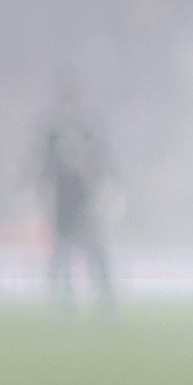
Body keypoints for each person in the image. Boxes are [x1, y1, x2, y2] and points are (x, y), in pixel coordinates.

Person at [34, 78, 116, 311]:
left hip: (78, 193)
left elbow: (101, 156)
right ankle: (70, 297)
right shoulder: (60, 125)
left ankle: (88, 296)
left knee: (82, 247)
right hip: (68, 194)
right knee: (68, 249)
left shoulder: (79, 124)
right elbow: (45, 161)